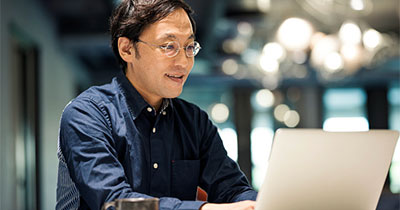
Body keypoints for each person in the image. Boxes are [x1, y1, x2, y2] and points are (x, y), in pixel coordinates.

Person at [56, 0, 257, 209]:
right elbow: (116, 202)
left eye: (189, 47)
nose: (184, 62)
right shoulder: (87, 114)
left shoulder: (194, 122)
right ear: (127, 49)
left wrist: (262, 202)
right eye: (169, 46)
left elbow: (233, 189)